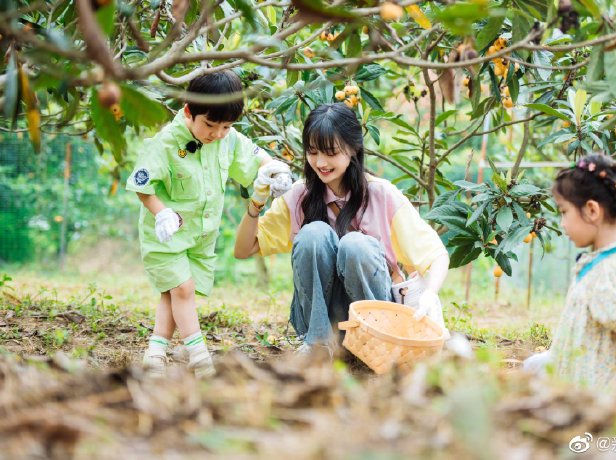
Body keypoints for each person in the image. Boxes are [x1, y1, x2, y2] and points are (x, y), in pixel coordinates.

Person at [233, 103, 450, 354]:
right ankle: (317, 345)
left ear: (353, 149)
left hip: (375, 319)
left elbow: (436, 256)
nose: (321, 162)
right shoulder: (299, 197)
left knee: (356, 244)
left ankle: (374, 344)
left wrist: (429, 294)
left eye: (330, 152)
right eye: (312, 152)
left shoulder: (382, 194)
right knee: (313, 234)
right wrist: (257, 200)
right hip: (323, 321)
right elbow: (244, 249)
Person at [126, 71, 291, 377]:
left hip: (201, 236)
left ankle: (155, 351)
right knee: (183, 290)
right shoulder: (166, 143)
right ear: (189, 111)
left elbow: (257, 158)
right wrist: (161, 212)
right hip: (167, 235)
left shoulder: (227, 140)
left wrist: (275, 171)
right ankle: (200, 359)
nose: (217, 134)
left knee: (173, 293)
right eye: (210, 125)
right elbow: (141, 183)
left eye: (226, 127)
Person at [524, 154, 616, 395]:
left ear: (591, 210)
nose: (562, 222)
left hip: (609, 414)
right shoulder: (601, 264)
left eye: (564, 211)